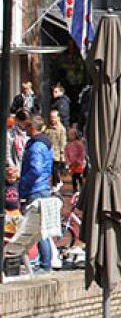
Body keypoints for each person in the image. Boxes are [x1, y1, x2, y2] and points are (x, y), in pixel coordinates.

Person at [18, 116, 53, 272]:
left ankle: (45, 264)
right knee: (41, 228)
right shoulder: (43, 145)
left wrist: (23, 183)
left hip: (35, 190)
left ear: (33, 127)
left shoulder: (36, 146)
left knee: (39, 229)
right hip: (41, 187)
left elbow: (35, 169)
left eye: (27, 126)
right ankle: (44, 262)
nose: (25, 129)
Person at [44, 109, 67, 186]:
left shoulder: (61, 129)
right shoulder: (46, 127)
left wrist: (62, 154)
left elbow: (63, 142)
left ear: (58, 118)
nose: (52, 119)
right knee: (49, 169)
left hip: (56, 153)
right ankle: (56, 182)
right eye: (51, 117)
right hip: (48, 151)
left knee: (54, 169)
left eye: (54, 117)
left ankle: (55, 184)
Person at [64, 128, 85, 192]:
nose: (69, 136)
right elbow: (66, 154)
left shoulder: (79, 144)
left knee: (79, 176)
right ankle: (75, 189)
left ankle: (82, 189)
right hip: (71, 164)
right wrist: (68, 162)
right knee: (73, 177)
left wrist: (79, 161)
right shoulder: (68, 145)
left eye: (71, 135)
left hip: (78, 164)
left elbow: (82, 153)